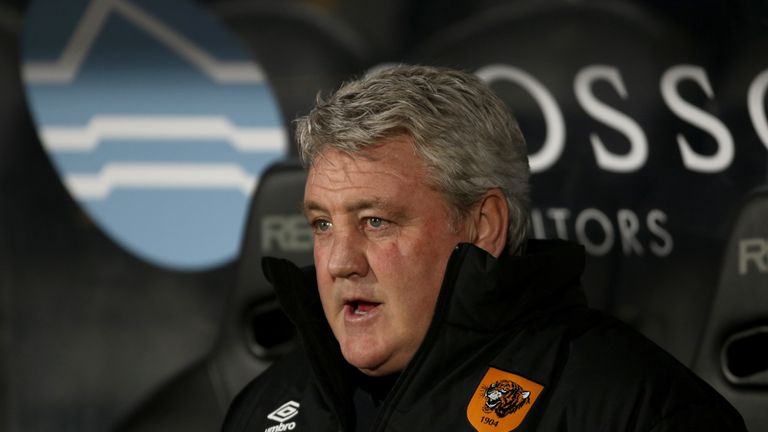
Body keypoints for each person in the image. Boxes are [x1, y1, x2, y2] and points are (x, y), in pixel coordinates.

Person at [222, 65, 746, 431]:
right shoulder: (265, 406)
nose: (339, 262)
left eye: (376, 221)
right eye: (322, 225)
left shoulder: (638, 410)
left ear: (482, 224)